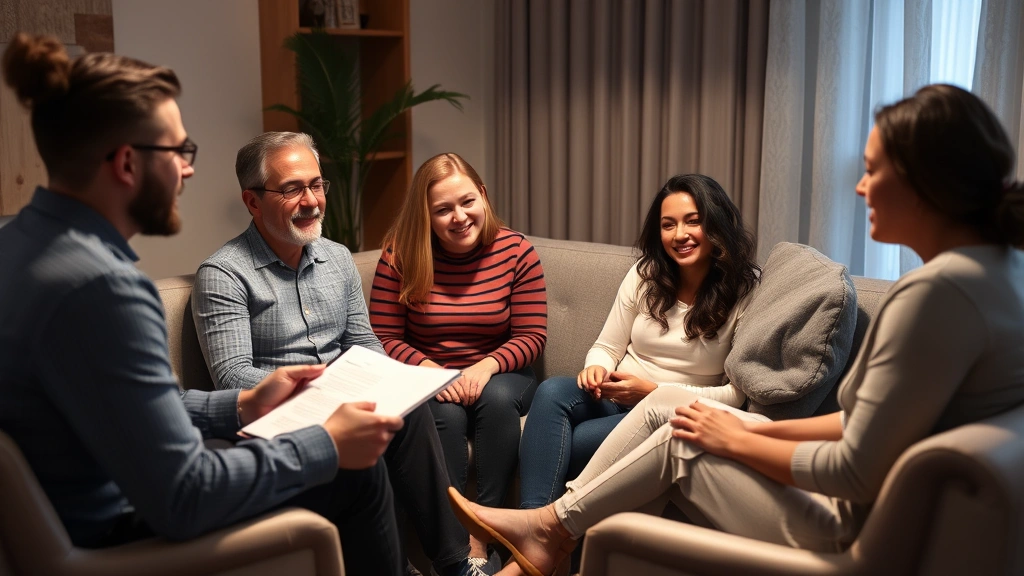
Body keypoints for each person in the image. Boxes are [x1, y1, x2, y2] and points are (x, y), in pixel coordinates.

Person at [446, 83, 1024, 576]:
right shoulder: (1000, 274)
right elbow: (864, 424)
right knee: (672, 408)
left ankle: (548, 532)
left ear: (925, 180)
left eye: (872, 170)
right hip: (882, 512)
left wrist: (737, 438)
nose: (859, 186)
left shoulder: (935, 296)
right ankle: (547, 529)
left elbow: (853, 468)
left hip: (857, 536)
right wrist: (748, 429)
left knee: (679, 437)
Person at [0, 34, 405, 576]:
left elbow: (123, 407)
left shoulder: (19, 246)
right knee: (354, 473)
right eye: (179, 151)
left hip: (90, 499)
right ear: (126, 163)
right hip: (117, 532)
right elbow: (185, 496)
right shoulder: (104, 290)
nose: (188, 170)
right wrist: (326, 444)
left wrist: (240, 406)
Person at [191, 132, 491, 576]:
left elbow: (365, 343)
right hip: (284, 415)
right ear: (253, 202)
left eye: (316, 185)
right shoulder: (224, 274)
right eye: (292, 188)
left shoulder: (336, 257)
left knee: (413, 411)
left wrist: (390, 380)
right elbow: (232, 377)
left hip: (347, 397)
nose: (311, 200)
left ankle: (455, 563)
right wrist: (322, 388)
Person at [517, 174, 760, 511]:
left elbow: (735, 395)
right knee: (551, 392)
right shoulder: (646, 274)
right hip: (617, 394)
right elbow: (608, 346)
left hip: (669, 413)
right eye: (668, 225)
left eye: (693, 221)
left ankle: (541, 537)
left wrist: (649, 392)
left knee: (581, 439)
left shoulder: (746, 292)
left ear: (716, 223)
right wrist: (596, 369)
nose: (679, 235)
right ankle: (532, 529)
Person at [369, 152, 548, 565]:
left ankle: (487, 531)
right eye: (443, 209)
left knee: (497, 399)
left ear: (483, 196)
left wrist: (483, 367)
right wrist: (436, 373)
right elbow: (383, 336)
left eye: (467, 202)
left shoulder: (517, 250)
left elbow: (531, 336)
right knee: (444, 419)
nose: (459, 217)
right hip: (430, 377)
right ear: (425, 216)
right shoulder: (401, 255)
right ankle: (453, 547)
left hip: (503, 372)